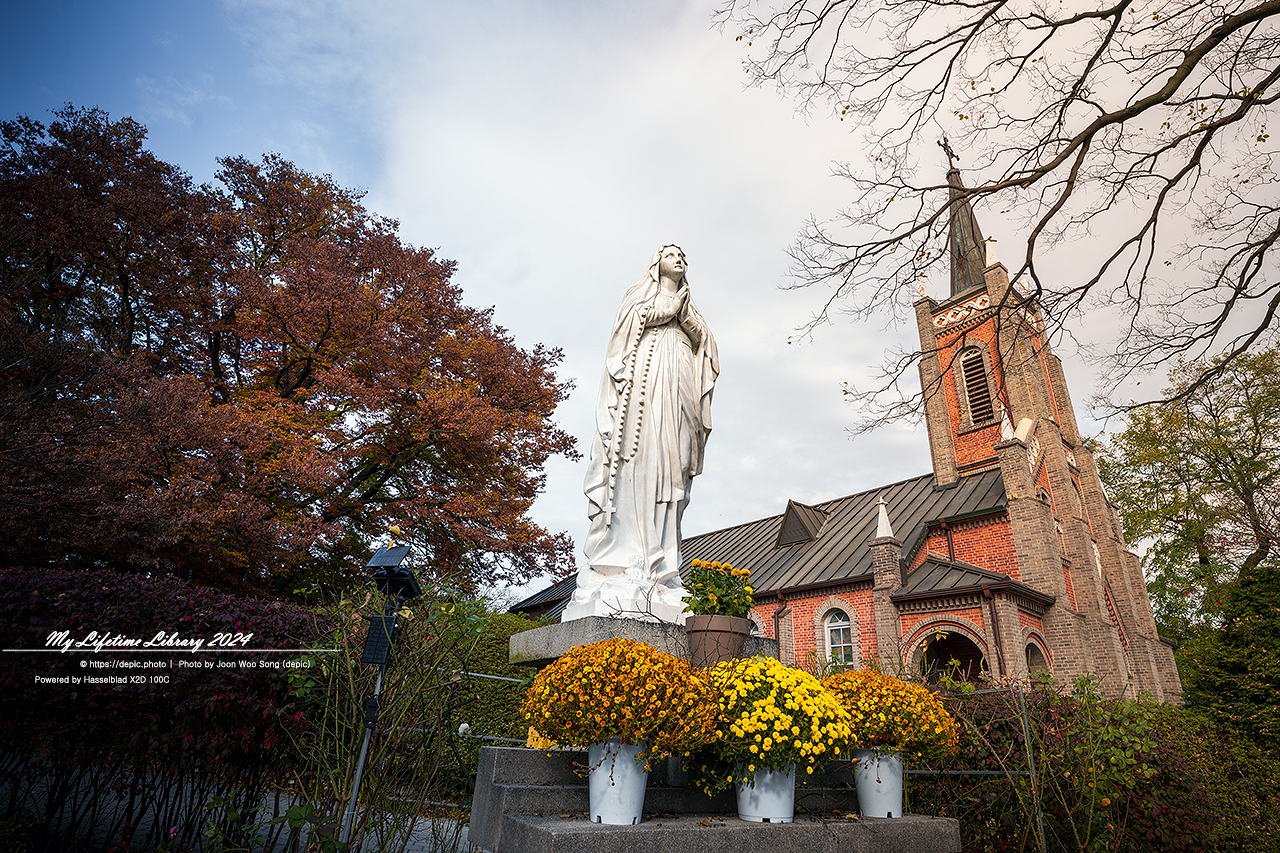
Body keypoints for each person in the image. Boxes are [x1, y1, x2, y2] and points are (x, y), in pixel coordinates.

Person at [561, 245, 718, 624]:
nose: (680, 259)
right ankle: (631, 555)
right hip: (644, 395)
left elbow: (708, 349)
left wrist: (686, 317)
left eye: (684, 256)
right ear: (656, 263)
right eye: (671, 254)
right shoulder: (640, 296)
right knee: (641, 464)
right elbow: (626, 331)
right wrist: (667, 311)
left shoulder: (689, 308)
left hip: (678, 387)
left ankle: (665, 567)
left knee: (673, 470)